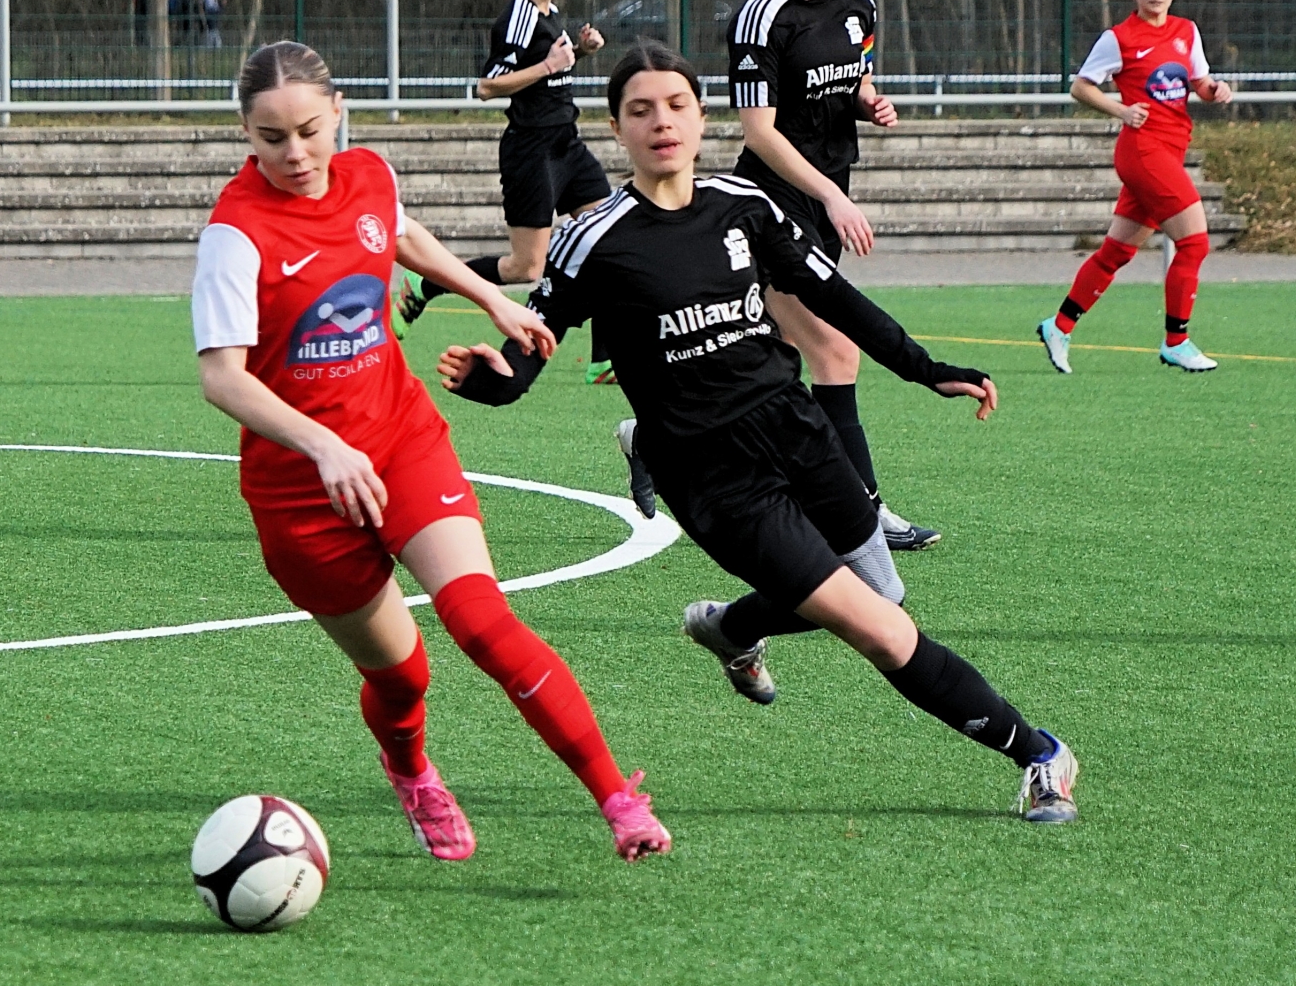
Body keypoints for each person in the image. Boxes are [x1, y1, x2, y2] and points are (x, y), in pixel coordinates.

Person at [437, 43, 1079, 824]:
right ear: (616, 128)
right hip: (716, 477)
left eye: (676, 105)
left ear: (701, 117)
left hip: (796, 430)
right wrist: (491, 380)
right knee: (882, 630)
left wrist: (925, 368)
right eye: (641, 110)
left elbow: (833, 297)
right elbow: (526, 353)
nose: (662, 122)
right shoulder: (593, 239)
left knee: (884, 591)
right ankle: (1040, 754)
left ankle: (732, 626)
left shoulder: (744, 204)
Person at [191, 41, 672, 864]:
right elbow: (222, 379)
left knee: (482, 620)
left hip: (400, 441)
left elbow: (399, 234)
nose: (296, 153)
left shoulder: (369, 175)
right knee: (402, 677)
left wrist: (490, 297)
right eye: (272, 138)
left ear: (337, 112)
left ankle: (619, 801)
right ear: (246, 133)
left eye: (309, 131)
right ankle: (412, 771)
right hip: (302, 494)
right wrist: (323, 446)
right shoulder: (236, 235)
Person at [714, 0, 937, 550]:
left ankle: (658, 440)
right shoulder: (762, 18)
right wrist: (833, 198)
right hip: (771, 201)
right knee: (836, 350)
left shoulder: (858, 3)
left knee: (777, 361)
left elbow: (856, 78)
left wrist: (870, 102)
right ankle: (864, 513)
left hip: (825, 192)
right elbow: (759, 133)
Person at [393, 0, 618, 385]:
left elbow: (548, 71)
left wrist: (580, 51)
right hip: (531, 151)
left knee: (607, 237)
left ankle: (603, 360)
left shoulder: (551, 13)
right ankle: (427, 283)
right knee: (525, 268)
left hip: (567, 145)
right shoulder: (517, 16)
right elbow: (487, 86)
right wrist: (550, 65)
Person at [1038, 0, 1236, 373]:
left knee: (1117, 252)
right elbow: (1080, 87)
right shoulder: (1119, 38)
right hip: (1143, 151)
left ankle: (1059, 326)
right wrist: (1121, 110)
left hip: (1172, 147)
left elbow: (1198, 82)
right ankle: (1176, 341)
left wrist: (1215, 90)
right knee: (1195, 243)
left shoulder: (1186, 31)